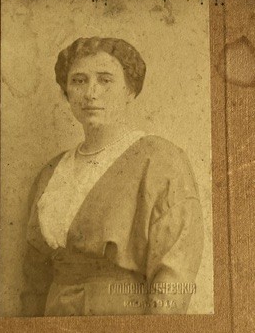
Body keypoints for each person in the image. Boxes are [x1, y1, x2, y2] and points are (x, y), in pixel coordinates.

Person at [22, 36, 204, 316]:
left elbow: (174, 275)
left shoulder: (159, 160)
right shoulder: (51, 172)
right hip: (54, 325)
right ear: (66, 91)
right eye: (79, 81)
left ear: (130, 90)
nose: (91, 93)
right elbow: (34, 278)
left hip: (122, 323)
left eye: (105, 80)